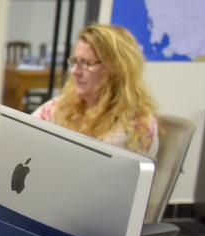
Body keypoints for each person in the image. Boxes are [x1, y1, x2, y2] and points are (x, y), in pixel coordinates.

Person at [32, 23, 159, 159]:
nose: (75, 71)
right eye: (75, 61)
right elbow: (26, 132)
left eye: (87, 63)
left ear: (116, 69)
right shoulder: (63, 105)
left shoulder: (135, 126)